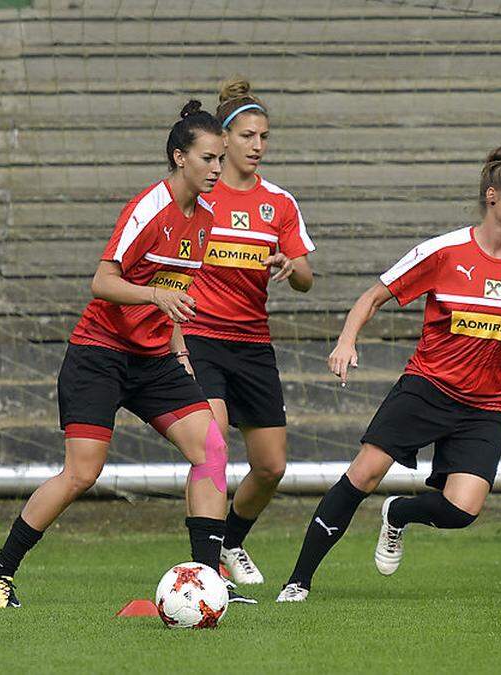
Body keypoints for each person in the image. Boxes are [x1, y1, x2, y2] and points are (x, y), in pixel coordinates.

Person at [0, 102, 232, 608]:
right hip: (99, 355)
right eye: (208, 158)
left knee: (213, 451)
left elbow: (172, 289)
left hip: (155, 358)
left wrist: (180, 353)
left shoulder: (206, 217)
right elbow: (102, 281)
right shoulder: (147, 209)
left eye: (221, 159)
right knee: (81, 474)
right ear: (180, 157)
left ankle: (205, 581)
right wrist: (156, 298)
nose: (217, 169)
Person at [277, 146, 501, 602]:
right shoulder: (444, 251)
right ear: (492, 197)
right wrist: (347, 341)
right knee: (362, 476)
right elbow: (371, 297)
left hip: (486, 404)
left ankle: (398, 514)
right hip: (427, 388)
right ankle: (297, 582)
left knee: (464, 510)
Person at [182, 79, 316, 587]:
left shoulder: (278, 203)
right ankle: (204, 563)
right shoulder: (200, 196)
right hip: (199, 338)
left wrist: (289, 263)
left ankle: (232, 540)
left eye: (265, 136)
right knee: (211, 448)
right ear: (224, 139)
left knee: (271, 466)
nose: (258, 146)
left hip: (253, 343)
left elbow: (305, 279)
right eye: (248, 136)